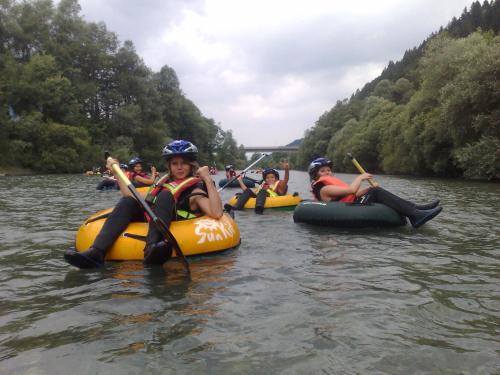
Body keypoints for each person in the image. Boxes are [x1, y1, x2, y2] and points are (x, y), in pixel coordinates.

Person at [64, 140, 223, 268]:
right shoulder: (163, 183)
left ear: (191, 165)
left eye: (184, 163)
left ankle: (151, 248)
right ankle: (97, 252)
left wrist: (208, 179)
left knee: (166, 197)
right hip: (153, 218)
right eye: (175, 163)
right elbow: (131, 196)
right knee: (127, 201)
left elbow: (216, 213)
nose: (180, 167)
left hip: (176, 223)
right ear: (169, 166)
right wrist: (116, 171)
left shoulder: (195, 190)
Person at [308, 157, 442, 228]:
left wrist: (368, 189)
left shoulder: (330, 185)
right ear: (315, 175)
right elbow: (352, 190)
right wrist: (360, 177)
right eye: (323, 171)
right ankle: (415, 215)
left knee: (374, 190)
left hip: (352, 204)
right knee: (376, 192)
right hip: (350, 210)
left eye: (328, 170)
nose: (327, 172)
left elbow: (354, 194)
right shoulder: (324, 188)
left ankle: (416, 209)